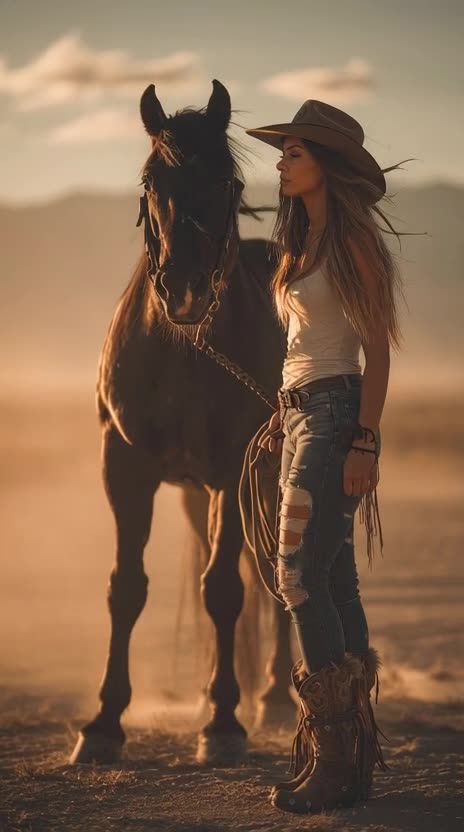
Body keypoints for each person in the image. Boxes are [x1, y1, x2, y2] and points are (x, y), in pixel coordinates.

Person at [245, 100, 408, 815]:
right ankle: (349, 759)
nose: (280, 163)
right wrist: (283, 416)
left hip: (339, 415)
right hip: (301, 416)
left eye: (293, 153)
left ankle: (336, 756)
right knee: (334, 581)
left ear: (326, 167)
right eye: (282, 153)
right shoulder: (299, 243)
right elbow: (300, 351)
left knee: (298, 577)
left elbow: (375, 353)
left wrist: (364, 441)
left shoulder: (352, 243)